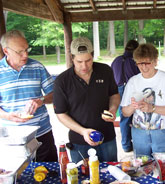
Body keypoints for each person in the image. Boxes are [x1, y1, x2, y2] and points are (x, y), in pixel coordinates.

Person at [53, 37, 120, 163]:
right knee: (83, 179)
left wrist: (113, 109)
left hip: (107, 136)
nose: (84, 66)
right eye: (79, 61)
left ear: (93, 56)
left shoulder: (105, 71)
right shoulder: (62, 81)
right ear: (72, 58)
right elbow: (61, 114)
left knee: (113, 174)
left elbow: (114, 95)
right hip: (79, 141)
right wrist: (83, 131)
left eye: (88, 60)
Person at [0, 30, 58, 162]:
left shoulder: (37, 67)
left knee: (50, 173)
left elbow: (55, 94)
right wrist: (7, 116)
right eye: (20, 51)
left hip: (42, 134)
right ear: (6, 51)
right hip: (12, 139)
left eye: (27, 49)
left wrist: (41, 100)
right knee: (19, 178)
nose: (25, 54)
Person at [121, 43, 165, 156]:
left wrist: (152, 108)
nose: (143, 67)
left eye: (147, 63)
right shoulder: (133, 82)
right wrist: (132, 106)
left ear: (155, 61)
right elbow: (125, 112)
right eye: (140, 63)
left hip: (163, 133)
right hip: (139, 133)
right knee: (143, 167)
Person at [111, 40, 140, 152]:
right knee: (135, 116)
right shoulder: (134, 61)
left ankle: (126, 144)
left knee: (124, 117)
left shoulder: (116, 60)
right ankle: (132, 143)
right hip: (131, 89)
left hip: (118, 89)